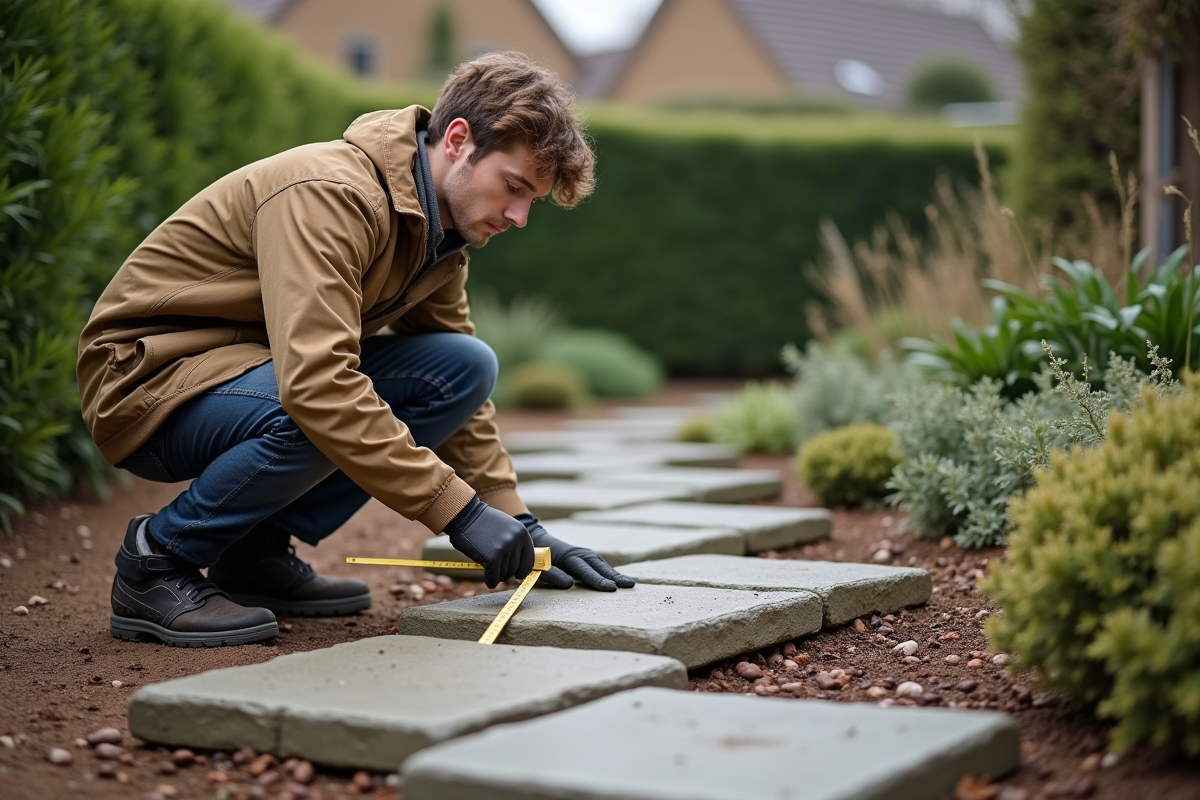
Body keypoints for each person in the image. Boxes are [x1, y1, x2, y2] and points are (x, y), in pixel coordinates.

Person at [76, 52, 634, 647]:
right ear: (458, 139)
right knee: (316, 404)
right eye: (514, 188)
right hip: (147, 379)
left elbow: (457, 391)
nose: (520, 216)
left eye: (532, 202)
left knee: (462, 367)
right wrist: (460, 514)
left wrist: (520, 521)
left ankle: (252, 552)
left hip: (245, 373)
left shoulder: (437, 237)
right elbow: (317, 383)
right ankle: (157, 563)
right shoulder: (330, 193)